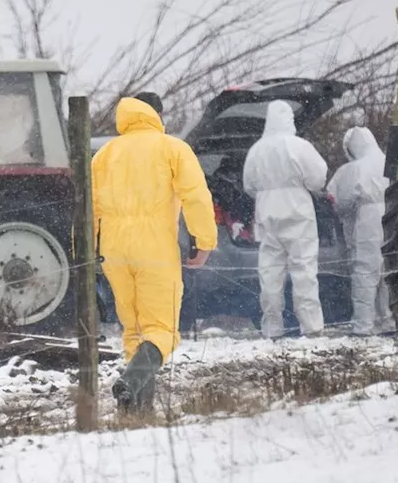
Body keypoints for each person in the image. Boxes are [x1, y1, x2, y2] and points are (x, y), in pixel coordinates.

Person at [92, 95, 217, 412]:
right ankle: (130, 383)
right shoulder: (172, 148)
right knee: (163, 331)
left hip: (113, 249)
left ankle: (136, 411)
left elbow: (88, 208)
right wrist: (204, 241)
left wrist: (87, 249)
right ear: (156, 115)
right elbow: (196, 196)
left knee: (133, 331)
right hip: (154, 246)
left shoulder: (104, 155)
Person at [242, 100, 328, 338]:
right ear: (289, 119)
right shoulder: (299, 146)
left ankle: (272, 328)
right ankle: (311, 328)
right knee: (304, 271)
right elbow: (317, 179)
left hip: (267, 214)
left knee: (269, 274)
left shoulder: (256, 150)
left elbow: (249, 185)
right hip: (298, 212)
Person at [327, 126, 396, 336]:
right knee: (388, 272)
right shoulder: (391, 162)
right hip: (394, 215)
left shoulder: (352, 170)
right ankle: (388, 320)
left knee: (365, 272)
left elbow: (338, 201)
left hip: (368, 220)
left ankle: (363, 325)